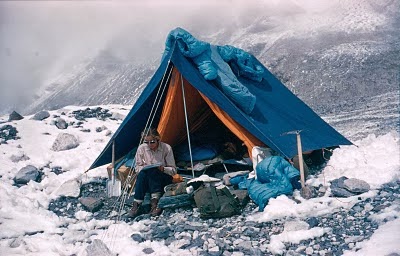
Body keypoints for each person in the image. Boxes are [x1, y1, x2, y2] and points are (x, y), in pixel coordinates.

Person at [127, 128, 177, 218]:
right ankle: (137, 204)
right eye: (146, 142)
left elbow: (173, 170)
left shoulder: (166, 148)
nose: (149, 145)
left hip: (163, 177)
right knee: (143, 173)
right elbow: (137, 167)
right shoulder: (142, 148)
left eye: (152, 142)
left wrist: (163, 169)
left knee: (154, 171)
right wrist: (143, 168)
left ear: (158, 140)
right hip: (148, 178)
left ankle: (155, 202)